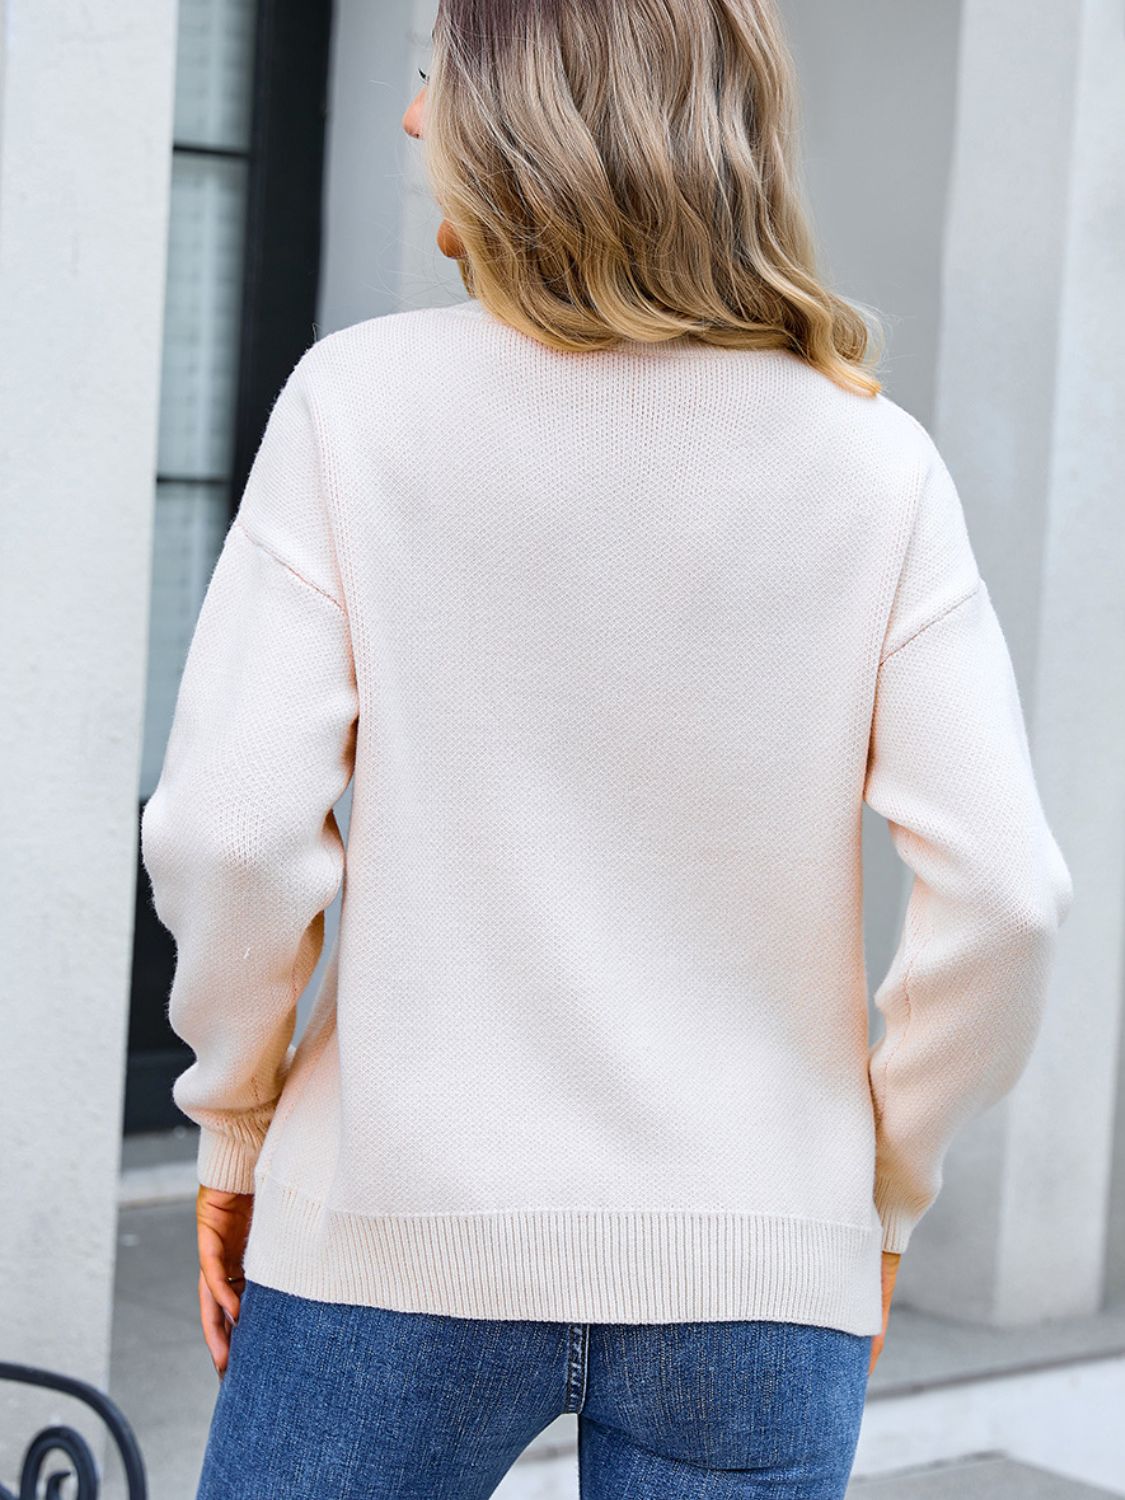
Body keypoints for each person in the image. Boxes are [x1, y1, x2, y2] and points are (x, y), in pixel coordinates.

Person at [139, 1, 1073, 1495]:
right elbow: (1007, 898)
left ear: (524, 114)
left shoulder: (354, 408)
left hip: (392, 1225)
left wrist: (235, 1117)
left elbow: (231, 833)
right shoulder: (876, 462)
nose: (410, 116)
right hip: (757, 1268)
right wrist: (875, 1193)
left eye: (433, 74)